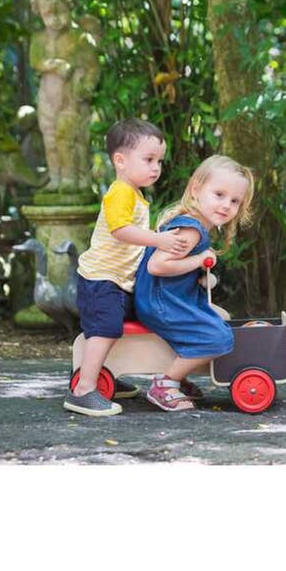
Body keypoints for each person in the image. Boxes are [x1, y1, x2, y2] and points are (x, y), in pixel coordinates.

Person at [63, 119, 190, 417]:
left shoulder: (136, 194)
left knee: (120, 326)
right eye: (148, 160)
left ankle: (107, 373)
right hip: (101, 278)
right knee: (104, 329)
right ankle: (83, 390)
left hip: (118, 280)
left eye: (159, 161)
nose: (155, 167)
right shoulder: (120, 191)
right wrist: (159, 240)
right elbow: (121, 230)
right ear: (120, 160)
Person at [134, 154, 255, 411]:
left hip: (168, 298)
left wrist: (199, 275)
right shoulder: (191, 229)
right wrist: (199, 260)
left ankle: (180, 376)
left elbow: (176, 267)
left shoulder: (196, 225)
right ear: (196, 188)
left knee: (219, 317)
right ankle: (165, 384)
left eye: (235, 201)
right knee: (219, 337)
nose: (226, 205)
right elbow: (157, 265)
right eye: (219, 194)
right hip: (161, 303)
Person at [29, 0, 100, 193]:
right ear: (39, 12)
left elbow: (92, 67)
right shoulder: (39, 39)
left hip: (72, 95)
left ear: (70, 6)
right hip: (48, 94)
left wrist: (86, 86)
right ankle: (56, 177)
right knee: (49, 137)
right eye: (49, 13)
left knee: (69, 137)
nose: (56, 19)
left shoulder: (80, 38)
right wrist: (55, 65)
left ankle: (73, 179)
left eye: (61, 11)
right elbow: (35, 61)